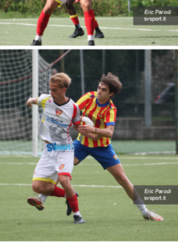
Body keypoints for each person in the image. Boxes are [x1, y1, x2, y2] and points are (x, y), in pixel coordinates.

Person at [66, 74, 162, 221]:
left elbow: (109, 133)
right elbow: (71, 111)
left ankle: (145, 211)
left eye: (103, 90)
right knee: (61, 167)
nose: (99, 91)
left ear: (111, 94)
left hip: (102, 147)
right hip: (81, 144)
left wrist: (94, 131)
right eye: (99, 88)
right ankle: (49, 197)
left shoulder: (111, 109)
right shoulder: (89, 97)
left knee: (122, 178)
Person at [25, 73, 84, 223]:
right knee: (37, 186)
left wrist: (86, 128)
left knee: (64, 180)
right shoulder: (46, 99)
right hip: (48, 151)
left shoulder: (73, 107)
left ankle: (77, 215)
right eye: (50, 89)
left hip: (65, 149)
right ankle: (70, 195)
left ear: (64, 89)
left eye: (55, 90)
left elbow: (77, 126)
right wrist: (30, 101)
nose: (51, 93)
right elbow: (34, 100)